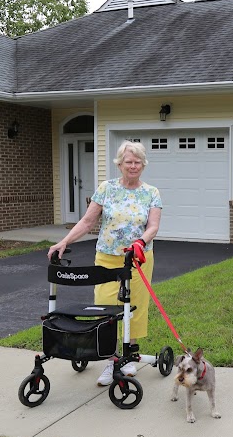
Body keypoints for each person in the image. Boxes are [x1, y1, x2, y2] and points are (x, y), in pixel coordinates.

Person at [48, 140, 162, 386]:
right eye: (128, 162)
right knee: (105, 307)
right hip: (107, 258)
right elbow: (87, 222)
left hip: (137, 259)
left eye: (137, 162)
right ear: (119, 164)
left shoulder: (151, 192)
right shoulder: (106, 188)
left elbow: (153, 226)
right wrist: (64, 241)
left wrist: (140, 242)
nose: (133, 166)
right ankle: (111, 360)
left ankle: (128, 358)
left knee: (134, 307)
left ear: (143, 165)